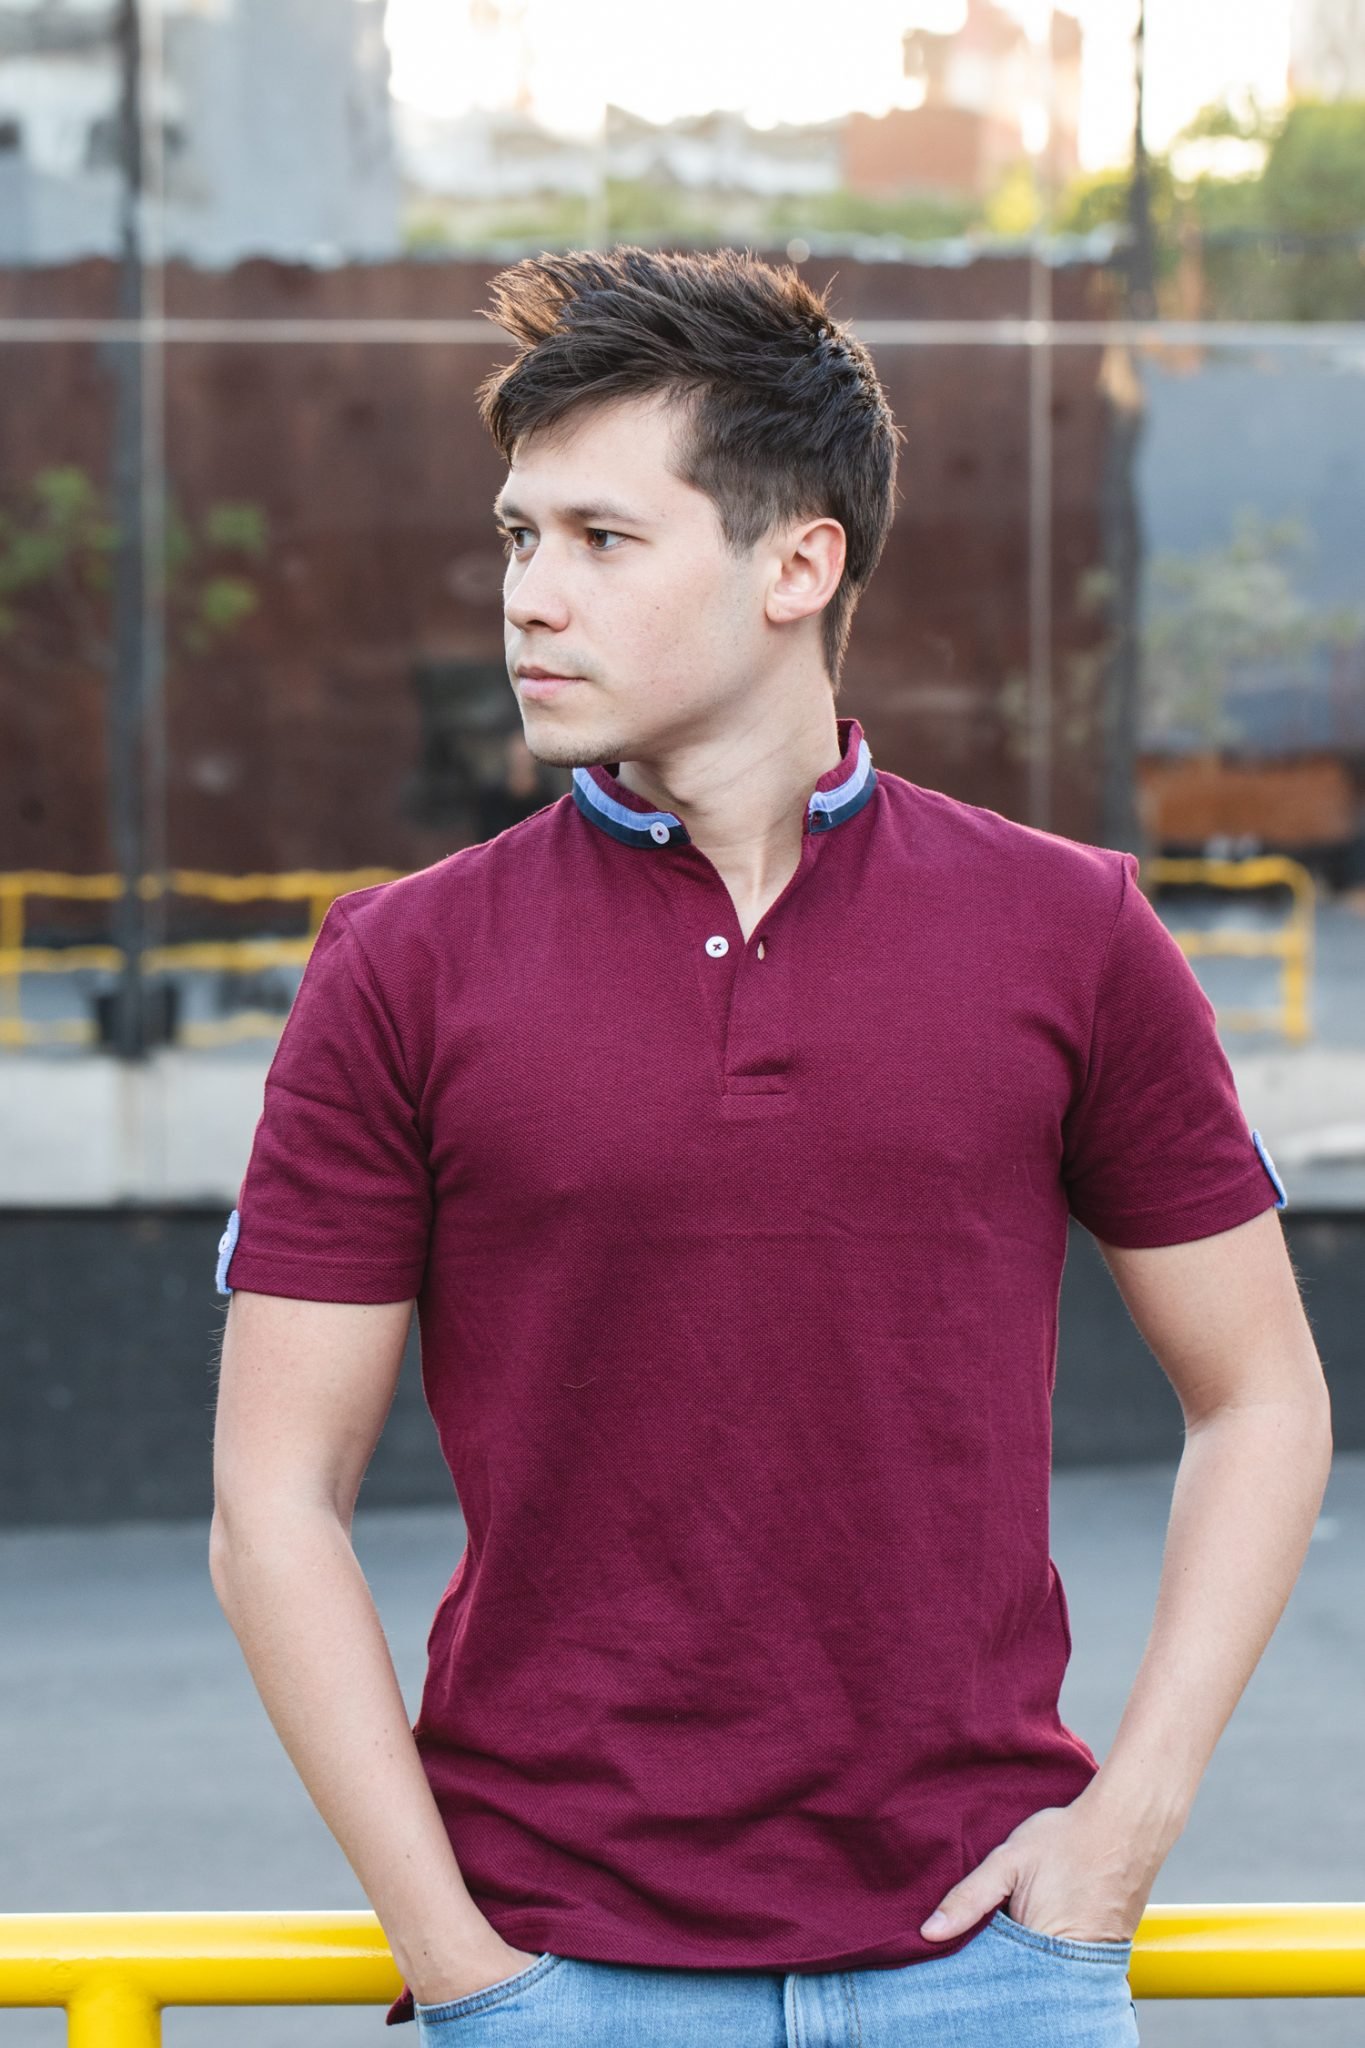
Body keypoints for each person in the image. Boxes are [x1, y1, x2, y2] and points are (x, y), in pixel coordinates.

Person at [208, 246, 1332, 2047]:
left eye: (602, 539)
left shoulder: (1068, 931)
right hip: (557, 1975)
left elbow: (1263, 1398)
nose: (529, 600)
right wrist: (462, 1962)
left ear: (796, 565)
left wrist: (1122, 1833)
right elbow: (271, 1503)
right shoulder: (399, 965)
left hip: (991, 1971)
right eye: (517, 538)